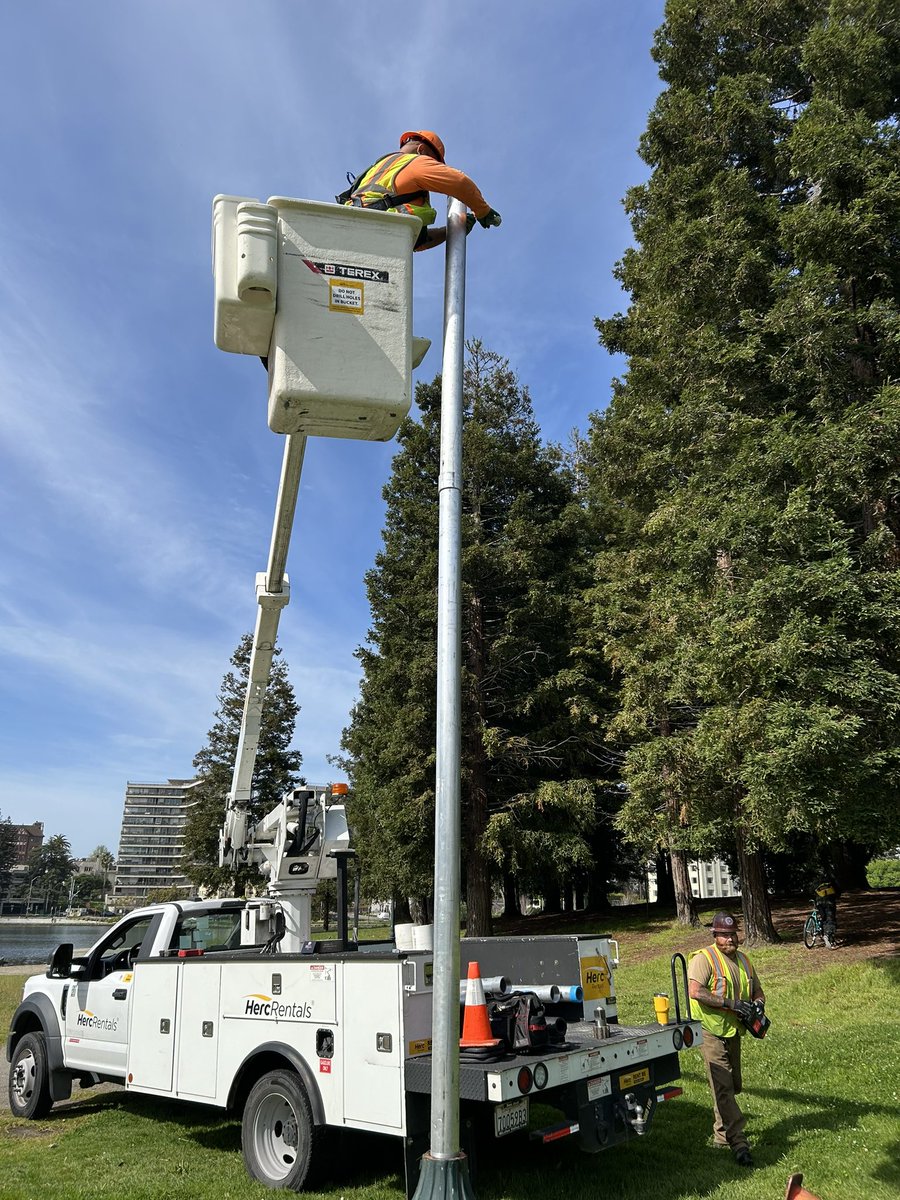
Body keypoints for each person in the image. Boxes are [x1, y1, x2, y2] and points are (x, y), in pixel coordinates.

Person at [688, 911, 766, 1168]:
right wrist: (731, 1003)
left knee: (733, 1086)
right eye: (724, 935)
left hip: (734, 1030)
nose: (729, 939)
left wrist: (757, 1006)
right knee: (722, 1086)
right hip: (710, 1029)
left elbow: (757, 990)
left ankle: (721, 1135)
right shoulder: (704, 958)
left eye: (732, 934)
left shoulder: (744, 960)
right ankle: (739, 1142)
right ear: (715, 936)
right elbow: (695, 991)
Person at [339, 130, 501, 251]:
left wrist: (452, 230)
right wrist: (483, 211)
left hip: (353, 232)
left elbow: (417, 242)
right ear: (422, 150)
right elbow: (459, 182)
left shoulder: (376, 171)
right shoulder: (415, 163)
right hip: (376, 233)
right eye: (434, 162)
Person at [813, 878, 839, 947]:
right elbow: (838, 892)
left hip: (819, 903)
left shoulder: (816, 882)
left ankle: (822, 934)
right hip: (830, 903)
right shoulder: (832, 881)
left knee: (823, 917)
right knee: (830, 919)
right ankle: (828, 935)